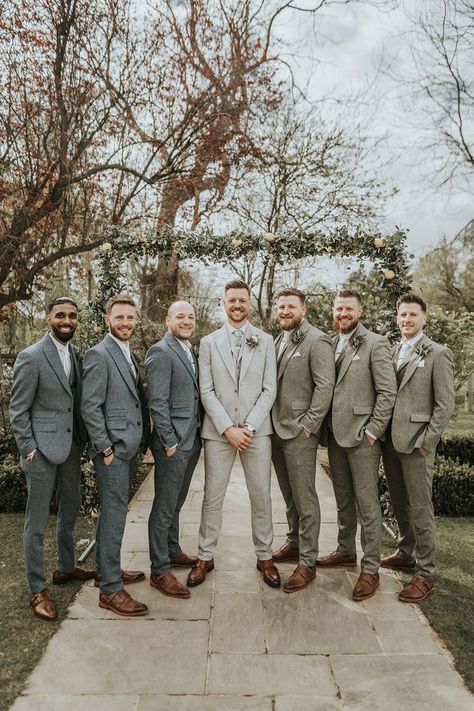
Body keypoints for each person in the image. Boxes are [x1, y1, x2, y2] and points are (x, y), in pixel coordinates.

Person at [187, 279, 279, 588]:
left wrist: (249, 427)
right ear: (223, 304)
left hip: (257, 433)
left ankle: (265, 556)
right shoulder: (209, 342)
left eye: (242, 300)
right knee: (212, 496)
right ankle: (204, 555)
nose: (237, 305)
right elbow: (206, 390)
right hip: (218, 432)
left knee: (261, 496)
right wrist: (228, 428)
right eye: (232, 300)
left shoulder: (266, 341)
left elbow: (269, 389)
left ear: (249, 304)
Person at [9, 296, 94, 621]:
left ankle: (65, 567)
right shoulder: (31, 357)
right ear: (49, 318)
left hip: (70, 448)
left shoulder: (74, 354)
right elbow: (18, 410)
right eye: (60, 315)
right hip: (40, 451)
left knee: (70, 508)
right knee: (37, 521)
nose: (67, 320)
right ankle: (37, 587)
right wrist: (29, 448)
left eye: (72, 315)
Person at [317, 289, 397, 602]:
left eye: (348, 309)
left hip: (364, 437)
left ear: (360, 311)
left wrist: (373, 431)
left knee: (367, 503)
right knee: (343, 498)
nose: (343, 313)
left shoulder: (376, 343)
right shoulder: (328, 343)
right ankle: (345, 550)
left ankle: (371, 567)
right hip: (335, 437)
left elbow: (387, 392)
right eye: (338, 309)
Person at [381, 292, 455, 603]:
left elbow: (445, 404)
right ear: (397, 319)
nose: (407, 320)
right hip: (391, 442)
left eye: (413, 315)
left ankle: (425, 573)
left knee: (422, 509)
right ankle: (405, 552)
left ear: (424, 318)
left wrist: (427, 443)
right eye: (403, 315)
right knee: (400, 503)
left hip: (417, 444)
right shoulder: (392, 350)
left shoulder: (437, 353)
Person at [81, 294, 149, 617]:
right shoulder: (99, 354)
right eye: (119, 317)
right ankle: (110, 589)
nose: (125, 323)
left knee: (112, 513)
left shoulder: (128, 353)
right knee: (114, 516)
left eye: (130, 318)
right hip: (113, 452)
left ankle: (105, 571)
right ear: (107, 320)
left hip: (128, 447)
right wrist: (105, 449)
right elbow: (90, 407)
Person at [271, 288, 335, 593]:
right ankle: (294, 542)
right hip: (275, 431)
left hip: (299, 432)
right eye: (281, 306)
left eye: (291, 307)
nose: (285, 311)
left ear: (303, 310)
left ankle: (307, 562)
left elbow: (325, 386)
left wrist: (310, 425)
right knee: (289, 494)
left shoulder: (317, 340)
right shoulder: (276, 340)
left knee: (305, 497)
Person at [145, 301, 201, 599]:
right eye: (180, 316)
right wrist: (168, 442)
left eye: (190, 316)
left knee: (177, 501)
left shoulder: (189, 350)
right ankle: (159, 569)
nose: (186, 321)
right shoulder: (161, 351)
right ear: (168, 320)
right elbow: (157, 402)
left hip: (192, 440)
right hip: (174, 443)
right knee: (164, 505)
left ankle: (173, 549)